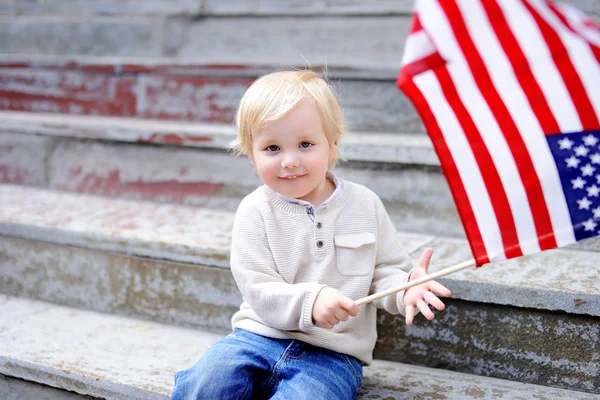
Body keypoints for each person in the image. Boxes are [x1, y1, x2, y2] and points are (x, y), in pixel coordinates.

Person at [171, 70, 451, 400]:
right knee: (208, 382)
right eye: (272, 148)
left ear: (333, 145)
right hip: (257, 336)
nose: (290, 161)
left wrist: (405, 290)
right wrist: (312, 301)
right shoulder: (255, 210)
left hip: (333, 354)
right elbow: (258, 286)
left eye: (305, 144)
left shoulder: (364, 205)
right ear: (251, 153)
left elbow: (385, 273)